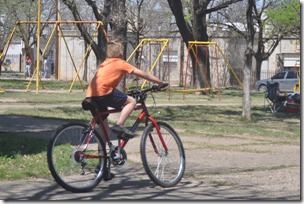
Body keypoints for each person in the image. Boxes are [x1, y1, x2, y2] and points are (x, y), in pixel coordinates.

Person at [83, 40, 167, 180]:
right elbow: (142, 74)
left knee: (104, 133)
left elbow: (106, 81)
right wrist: (160, 82)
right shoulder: (120, 62)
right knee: (131, 101)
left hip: (91, 96)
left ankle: (103, 167)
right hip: (104, 94)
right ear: (121, 53)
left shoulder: (104, 63)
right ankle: (120, 124)